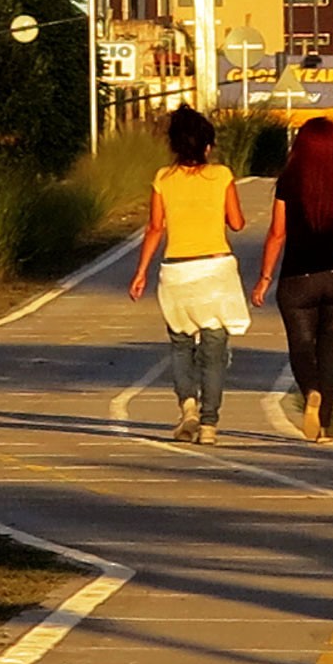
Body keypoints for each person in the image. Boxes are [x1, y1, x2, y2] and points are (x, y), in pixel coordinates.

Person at [250, 116, 333, 443]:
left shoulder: (289, 181)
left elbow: (277, 235)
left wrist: (264, 278)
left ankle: (310, 392)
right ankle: (323, 427)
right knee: (330, 349)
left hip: (298, 279)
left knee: (302, 346)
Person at [129, 105, 248, 445]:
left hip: (176, 270)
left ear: (175, 146)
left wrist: (140, 272)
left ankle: (188, 407)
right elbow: (237, 223)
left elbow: (154, 228)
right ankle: (209, 425)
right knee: (214, 348)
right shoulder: (222, 175)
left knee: (181, 345)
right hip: (215, 270)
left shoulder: (163, 179)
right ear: (207, 147)